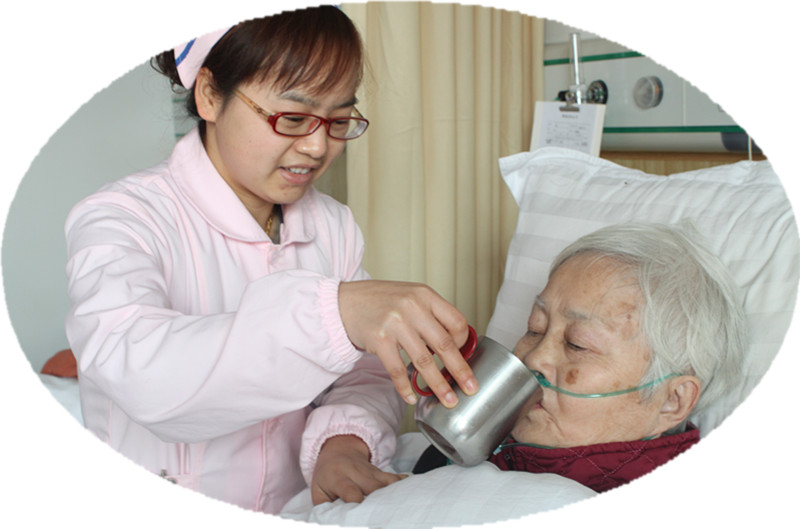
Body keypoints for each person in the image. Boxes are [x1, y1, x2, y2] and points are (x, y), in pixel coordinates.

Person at [64, 6, 477, 514]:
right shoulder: (122, 218)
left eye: (338, 120)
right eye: (294, 118)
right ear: (209, 95)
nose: (318, 146)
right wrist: (334, 315)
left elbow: (362, 374)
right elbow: (138, 372)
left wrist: (342, 444)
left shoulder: (331, 225)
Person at [415, 222, 747, 492]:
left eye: (577, 345)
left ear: (672, 401)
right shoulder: (454, 458)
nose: (534, 359)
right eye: (535, 328)